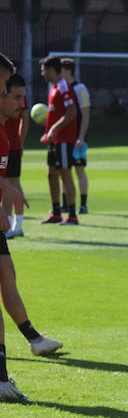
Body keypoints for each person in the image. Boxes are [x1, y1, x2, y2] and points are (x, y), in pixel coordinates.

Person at [0, 73, 63, 364]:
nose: (22, 104)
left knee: (7, 275)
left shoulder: (5, 132)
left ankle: (33, 338)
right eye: (14, 96)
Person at [37, 55, 79, 226]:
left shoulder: (64, 87)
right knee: (52, 174)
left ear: (51, 70)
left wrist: (54, 129)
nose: (42, 73)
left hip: (63, 139)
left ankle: (72, 215)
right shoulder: (54, 87)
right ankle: (56, 213)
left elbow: (71, 112)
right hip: (54, 140)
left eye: (43, 70)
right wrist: (48, 133)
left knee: (65, 173)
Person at [59, 58, 91, 214]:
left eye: (61, 69)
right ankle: (65, 204)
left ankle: (83, 205)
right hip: (64, 137)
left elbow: (85, 113)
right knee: (64, 170)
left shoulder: (80, 88)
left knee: (79, 170)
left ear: (68, 70)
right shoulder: (60, 88)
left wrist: (81, 136)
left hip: (77, 137)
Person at [2, 63, 27, 239]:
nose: (22, 104)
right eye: (17, 97)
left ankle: (17, 224)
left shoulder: (5, 136)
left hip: (14, 146)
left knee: (12, 183)